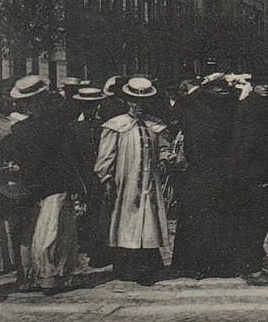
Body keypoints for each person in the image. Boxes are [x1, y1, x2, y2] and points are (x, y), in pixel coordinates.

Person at [1, 75, 83, 295]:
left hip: (50, 185)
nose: (27, 106)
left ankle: (51, 277)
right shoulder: (45, 124)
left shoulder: (29, 128)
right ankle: (54, 274)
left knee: (49, 233)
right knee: (53, 232)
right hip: (45, 185)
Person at [94, 77, 170, 286]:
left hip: (149, 182)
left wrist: (164, 159)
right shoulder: (116, 125)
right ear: (127, 102)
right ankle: (127, 266)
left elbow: (163, 147)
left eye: (142, 102)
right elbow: (106, 156)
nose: (138, 106)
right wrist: (106, 178)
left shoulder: (155, 124)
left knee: (148, 219)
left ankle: (149, 264)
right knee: (126, 219)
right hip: (125, 182)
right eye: (134, 101)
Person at [169, 73, 240, 279]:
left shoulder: (191, 102)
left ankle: (191, 264)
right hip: (220, 168)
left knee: (196, 215)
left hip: (198, 168)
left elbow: (177, 122)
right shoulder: (230, 103)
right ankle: (220, 264)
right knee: (218, 215)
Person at [225, 75, 268, 286]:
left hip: (250, 171)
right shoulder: (255, 108)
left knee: (253, 220)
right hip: (254, 172)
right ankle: (252, 268)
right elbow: (249, 143)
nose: (266, 87)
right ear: (253, 85)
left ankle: (251, 263)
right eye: (262, 84)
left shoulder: (251, 104)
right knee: (254, 220)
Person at [70, 86, 112, 268]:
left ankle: (100, 252)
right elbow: (71, 157)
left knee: (101, 214)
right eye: (86, 106)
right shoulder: (73, 127)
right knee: (87, 213)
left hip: (101, 176)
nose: (90, 109)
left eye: (93, 105)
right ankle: (86, 247)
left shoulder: (105, 126)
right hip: (83, 176)